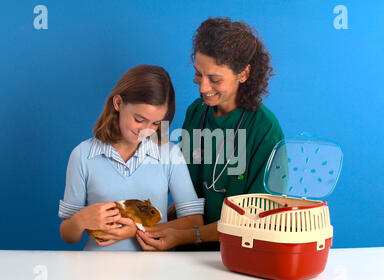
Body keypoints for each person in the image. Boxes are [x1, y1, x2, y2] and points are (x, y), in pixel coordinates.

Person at [136, 17, 284, 251]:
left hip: (237, 254)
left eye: (215, 79)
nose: (203, 88)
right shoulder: (197, 112)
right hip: (186, 250)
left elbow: (257, 219)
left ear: (243, 74)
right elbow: (189, 190)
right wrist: (156, 221)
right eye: (198, 74)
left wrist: (183, 236)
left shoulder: (265, 130)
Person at [58, 65, 204, 251]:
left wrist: (138, 230)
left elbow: (193, 222)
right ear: (118, 103)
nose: (146, 130)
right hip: (96, 273)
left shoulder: (170, 155)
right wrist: (79, 220)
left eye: (156, 123)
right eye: (139, 119)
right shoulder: (82, 155)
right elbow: (67, 235)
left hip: (156, 274)